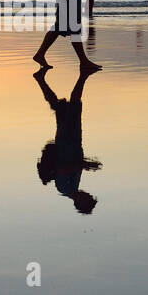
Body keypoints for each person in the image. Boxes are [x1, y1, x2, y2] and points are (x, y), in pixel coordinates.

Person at [34, 67, 101, 214]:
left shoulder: (64, 189)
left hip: (66, 140)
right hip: (74, 140)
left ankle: (84, 74)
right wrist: (85, 164)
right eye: (90, 197)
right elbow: (73, 165)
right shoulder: (74, 186)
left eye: (88, 199)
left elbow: (63, 168)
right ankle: (40, 79)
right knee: (61, 107)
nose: (89, 195)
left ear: (80, 202)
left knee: (74, 104)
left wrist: (85, 164)